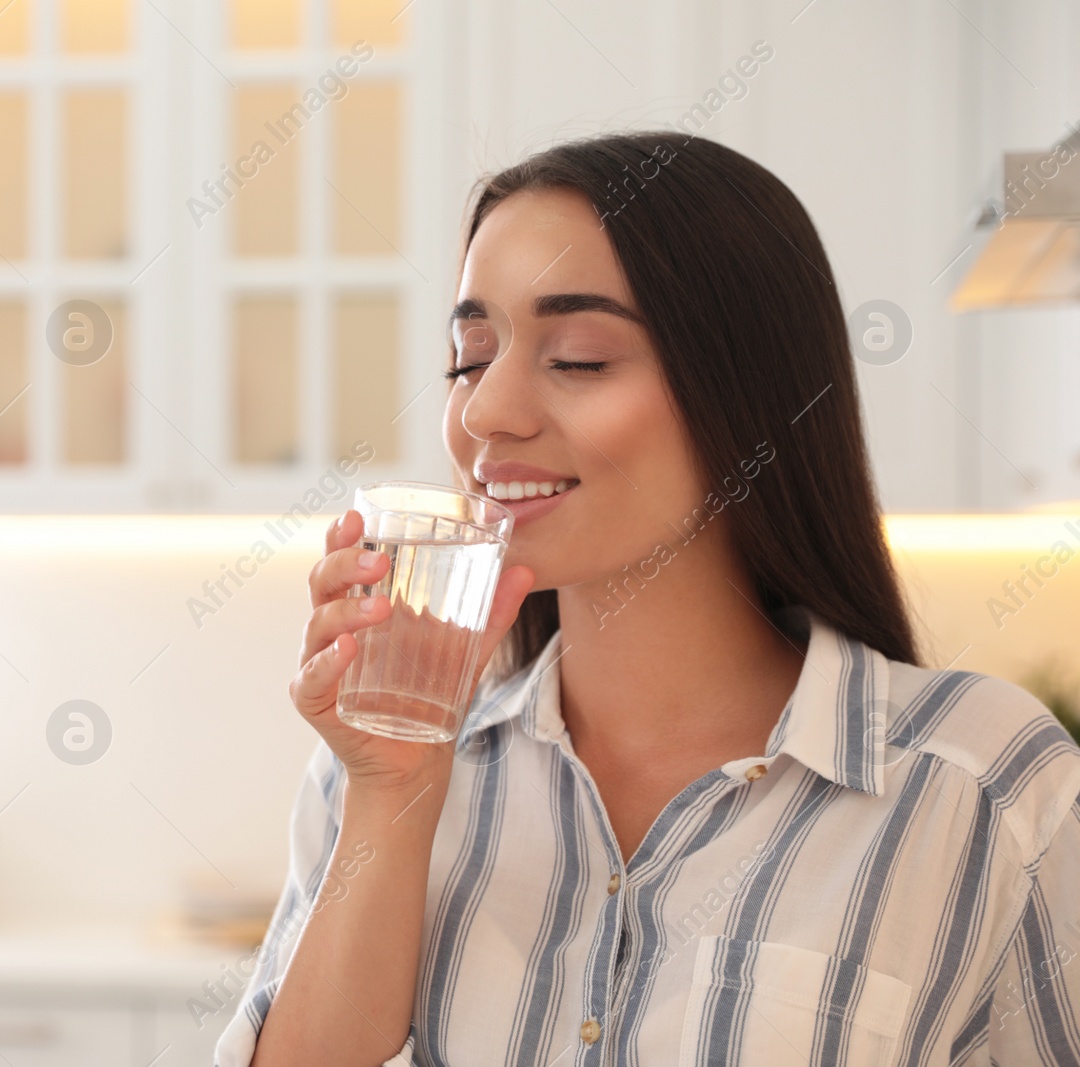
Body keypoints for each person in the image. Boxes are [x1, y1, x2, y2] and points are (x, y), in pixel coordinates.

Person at [213, 133, 1080, 1066]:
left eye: (579, 358)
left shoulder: (984, 788)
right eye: (470, 357)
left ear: (744, 390)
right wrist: (393, 796)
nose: (482, 412)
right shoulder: (382, 770)